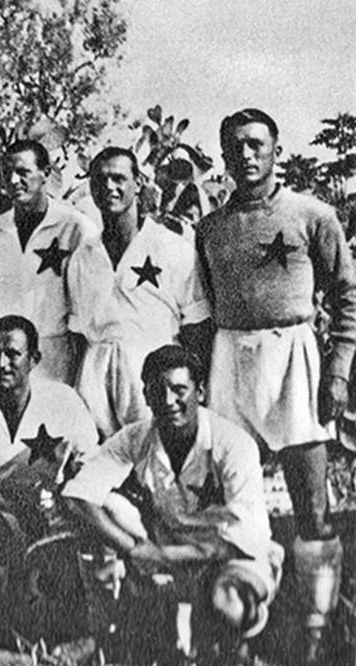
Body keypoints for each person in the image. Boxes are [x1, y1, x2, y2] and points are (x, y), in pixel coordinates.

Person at [196, 108, 356, 661]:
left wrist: (339, 367)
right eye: (235, 146)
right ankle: (239, 628)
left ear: (276, 150)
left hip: (294, 358)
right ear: (223, 155)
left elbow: (347, 293)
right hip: (228, 358)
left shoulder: (312, 214)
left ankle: (316, 630)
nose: (246, 154)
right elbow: (203, 307)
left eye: (256, 144)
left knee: (311, 503)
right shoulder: (210, 229)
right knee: (230, 500)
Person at [64, 345, 282, 659]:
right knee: (108, 506)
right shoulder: (135, 437)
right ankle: (106, 634)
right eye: (157, 391)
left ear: (200, 392)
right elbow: (79, 495)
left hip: (229, 557)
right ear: (146, 396)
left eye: (179, 389)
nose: (168, 401)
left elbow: (244, 539)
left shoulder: (233, 444)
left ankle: (233, 650)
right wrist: (132, 547)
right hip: (163, 548)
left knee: (229, 602)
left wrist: (163, 555)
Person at [0, 315, 98, 643]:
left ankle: (79, 626)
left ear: (34, 359)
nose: (1, 364)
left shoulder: (63, 399)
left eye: (12, 354)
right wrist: (11, 502)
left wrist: (59, 501)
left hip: (47, 511)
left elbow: (90, 465)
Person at [67, 147, 211, 436]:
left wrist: (190, 389)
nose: (109, 187)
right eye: (100, 179)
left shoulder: (172, 247)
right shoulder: (83, 256)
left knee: (156, 453)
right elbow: (78, 334)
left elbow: (197, 326)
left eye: (119, 178)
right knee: (101, 455)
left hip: (153, 370)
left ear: (138, 183)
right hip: (96, 375)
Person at [0, 140, 97, 385]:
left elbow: (88, 308)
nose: (13, 181)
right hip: (6, 359)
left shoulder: (75, 228)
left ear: (45, 173)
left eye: (23, 172)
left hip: (55, 358)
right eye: (7, 173)